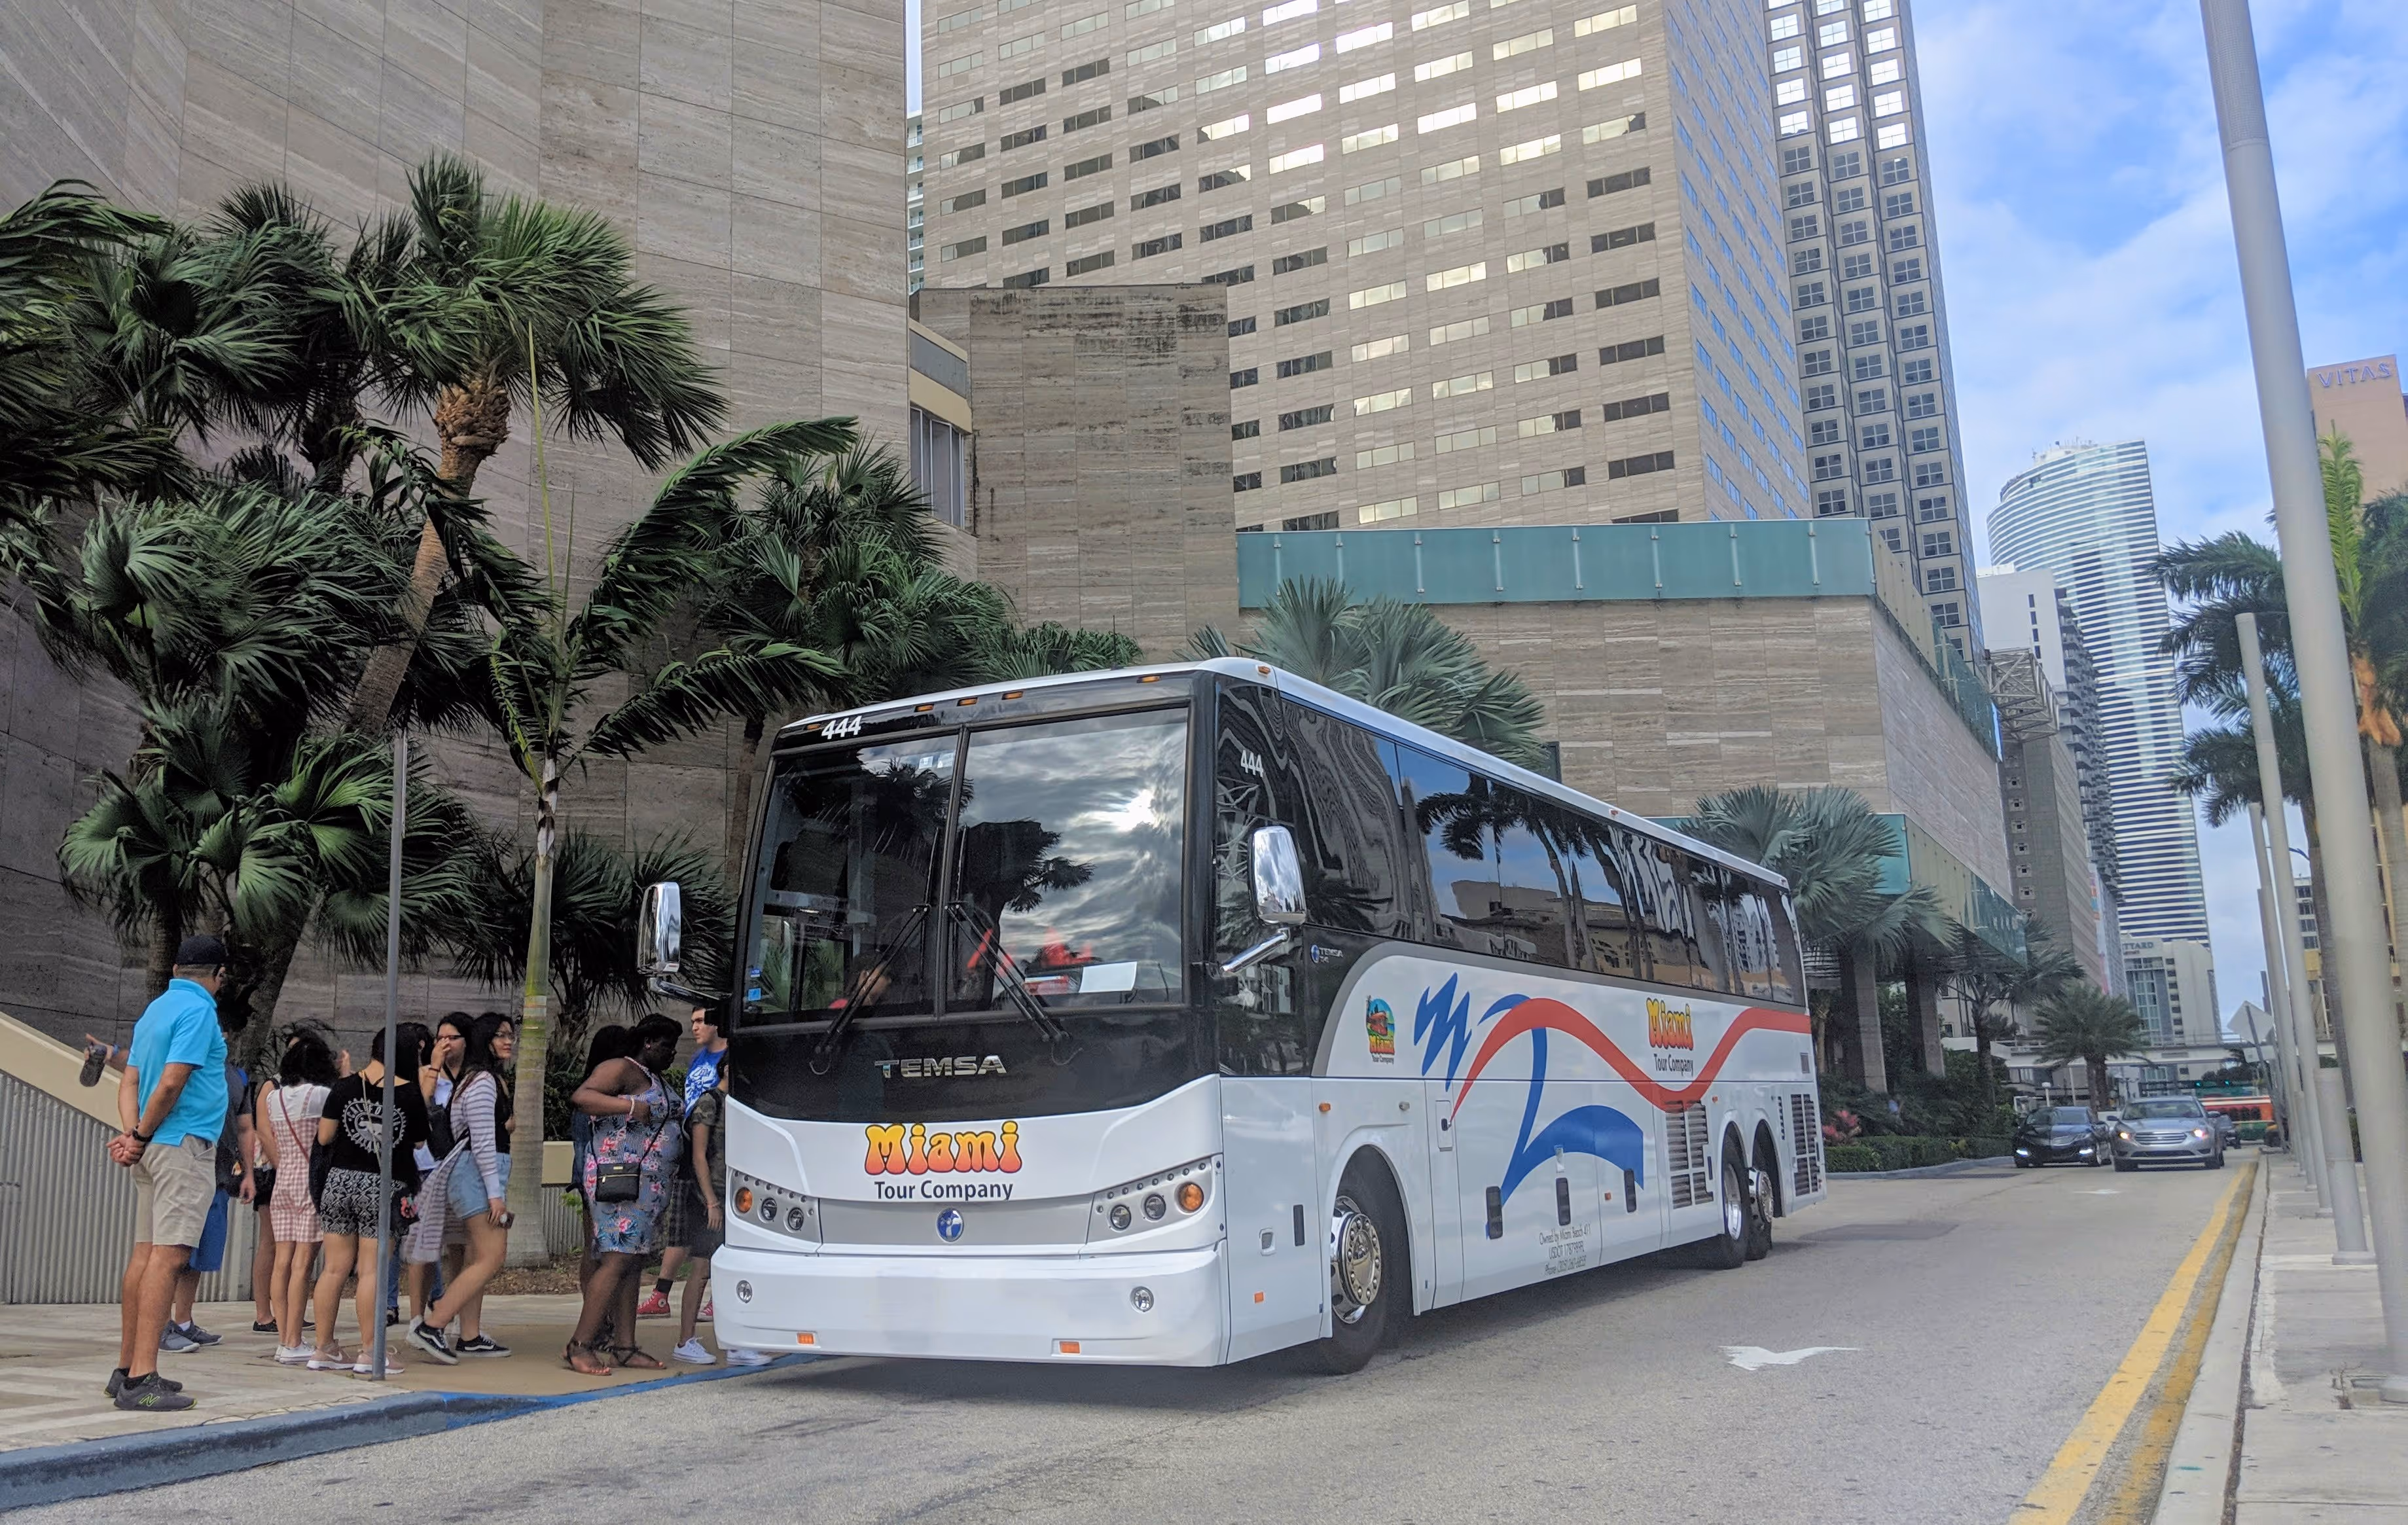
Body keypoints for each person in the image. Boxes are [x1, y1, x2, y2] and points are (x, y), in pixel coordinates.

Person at [104, 935, 234, 1412]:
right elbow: (174, 1080)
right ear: (218, 975)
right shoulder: (200, 1012)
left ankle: (124, 1369)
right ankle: (143, 1377)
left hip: (153, 1144)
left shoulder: (154, 1011)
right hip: (182, 1144)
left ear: (177, 967)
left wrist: (133, 1133)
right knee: (169, 1258)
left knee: (144, 1255)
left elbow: (132, 1079)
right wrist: (139, 1135)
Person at [306, 1024, 429, 1376]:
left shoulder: (345, 1087)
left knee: (333, 1268)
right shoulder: (408, 1094)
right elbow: (420, 1143)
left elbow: (326, 1135)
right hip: (385, 1186)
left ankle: (324, 1348)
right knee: (371, 1271)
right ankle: (371, 1351)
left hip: (340, 1182)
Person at [564, 1014, 683, 1375]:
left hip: (648, 1188)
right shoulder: (622, 1068)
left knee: (632, 1262)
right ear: (647, 1043)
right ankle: (579, 1346)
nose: (672, 1054)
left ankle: (625, 1347)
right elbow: (582, 1097)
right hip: (621, 1183)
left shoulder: (652, 1078)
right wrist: (630, 1106)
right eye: (666, 1046)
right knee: (616, 1260)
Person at [405, 1013, 518, 1362]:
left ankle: (469, 1335)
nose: (509, 1041)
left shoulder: (473, 1081)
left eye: (511, 1035)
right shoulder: (482, 1081)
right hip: (477, 1175)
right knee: (491, 1256)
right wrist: (495, 1194)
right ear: (485, 1040)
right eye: (501, 1035)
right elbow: (482, 1142)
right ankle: (434, 1323)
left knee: (475, 1256)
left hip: (472, 1174)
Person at [164, 1001, 253, 1353]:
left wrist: (248, 1173)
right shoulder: (189, 1069)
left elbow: (246, 1127)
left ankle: (183, 1321)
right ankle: (158, 1327)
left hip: (218, 1177)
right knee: (173, 1253)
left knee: (199, 1256)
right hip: (187, 1167)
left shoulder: (236, 1076)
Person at [671, 1062, 766, 1367]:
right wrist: (711, 1201)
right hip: (709, 1197)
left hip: (739, 1197)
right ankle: (686, 1340)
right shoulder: (710, 1102)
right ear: (727, 1068)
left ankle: (739, 1342)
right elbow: (699, 1155)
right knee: (701, 1269)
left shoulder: (743, 1105)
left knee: (737, 1271)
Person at [640, 1006, 731, 1319]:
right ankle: (661, 1296)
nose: (694, 1028)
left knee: (715, 1231)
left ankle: (716, 1297)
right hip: (689, 1147)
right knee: (680, 1225)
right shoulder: (697, 1059)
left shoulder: (729, 1058)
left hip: (716, 1154)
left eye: (700, 1021)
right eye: (691, 1021)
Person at [261, 1026, 337, 1364]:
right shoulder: (320, 1095)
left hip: (284, 1181)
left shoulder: (272, 1097)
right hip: (311, 1182)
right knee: (303, 1265)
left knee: (282, 1262)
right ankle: (293, 1341)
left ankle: (283, 1339)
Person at [404, 1013, 471, 1324]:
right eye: (440, 1038)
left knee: (461, 1245)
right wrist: (433, 1066)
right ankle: (418, 1316)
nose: (445, 1043)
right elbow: (419, 1105)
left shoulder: (475, 1077)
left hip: (462, 1166)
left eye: (452, 1038)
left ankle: (455, 1313)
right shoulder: (426, 1073)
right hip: (428, 1168)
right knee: (425, 1245)